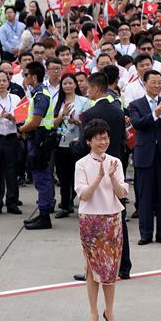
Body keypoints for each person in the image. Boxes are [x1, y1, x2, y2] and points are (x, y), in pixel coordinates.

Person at [75, 119, 129, 321]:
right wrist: (98, 178)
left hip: (112, 219)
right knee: (92, 267)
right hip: (90, 220)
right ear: (89, 141)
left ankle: (110, 309)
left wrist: (113, 177)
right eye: (98, 139)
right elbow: (84, 196)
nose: (103, 142)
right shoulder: (81, 164)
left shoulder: (115, 161)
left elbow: (123, 193)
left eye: (105, 138)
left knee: (110, 267)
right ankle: (93, 311)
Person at [129, 70, 161, 245]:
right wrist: (154, 115)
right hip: (145, 155)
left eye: (159, 82)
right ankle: (145, 233)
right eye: (154, 82)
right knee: (145, 197)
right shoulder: (136, 104)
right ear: (145, 83)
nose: (157, 85)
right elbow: (137, 124)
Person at [20, 61, 57, 230]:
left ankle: (44, 216)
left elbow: (35, 121)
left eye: (26, 75)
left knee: (42, 178)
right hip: (38, 138)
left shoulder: (41, 94)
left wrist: (22, 128)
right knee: (40, 176)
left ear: (34, 77)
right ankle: (42, 213)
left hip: (41, 140)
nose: (24, 78)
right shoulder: (37, 93)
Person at [52, 72, 90, 219]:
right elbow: (52, 123)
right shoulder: (57, 101)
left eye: (70, 83)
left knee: (79, 175)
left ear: (75, 84)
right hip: (61, 142)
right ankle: (65, 205)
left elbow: (87, 122)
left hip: (78, 142)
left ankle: (81, 203)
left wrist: (77, 122)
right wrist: (62, 115)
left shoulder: (83, 101)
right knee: (63, 175)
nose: (68, 86)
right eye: (65, 83)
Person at [0, 70, 22, 214]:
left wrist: (13, 118)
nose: (1, 84)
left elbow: (22, 118)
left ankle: (12, 202)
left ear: (8, 82)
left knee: (12, 172)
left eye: (3, 81)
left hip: (12, 138)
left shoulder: (15, 98)